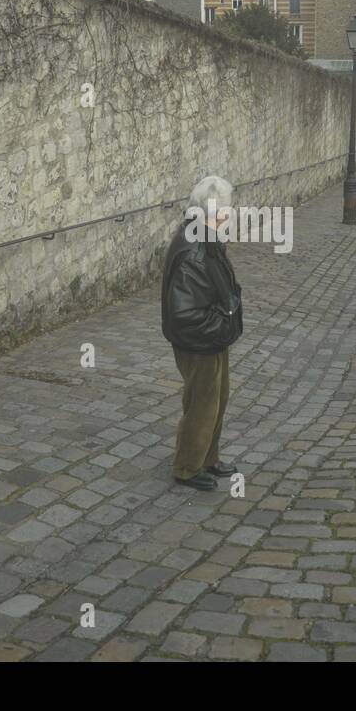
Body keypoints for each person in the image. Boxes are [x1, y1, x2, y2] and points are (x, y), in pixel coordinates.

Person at [161, 176, 244, 491]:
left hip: (211, 337)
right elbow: (185, 314)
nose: (229, 217)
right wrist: (222, 323)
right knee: (202, 403)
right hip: (199, 342)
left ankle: (207, 457)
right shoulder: (194, 249)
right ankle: (187, 467)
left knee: (215, 399)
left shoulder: (204, 238)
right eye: (226, 212)